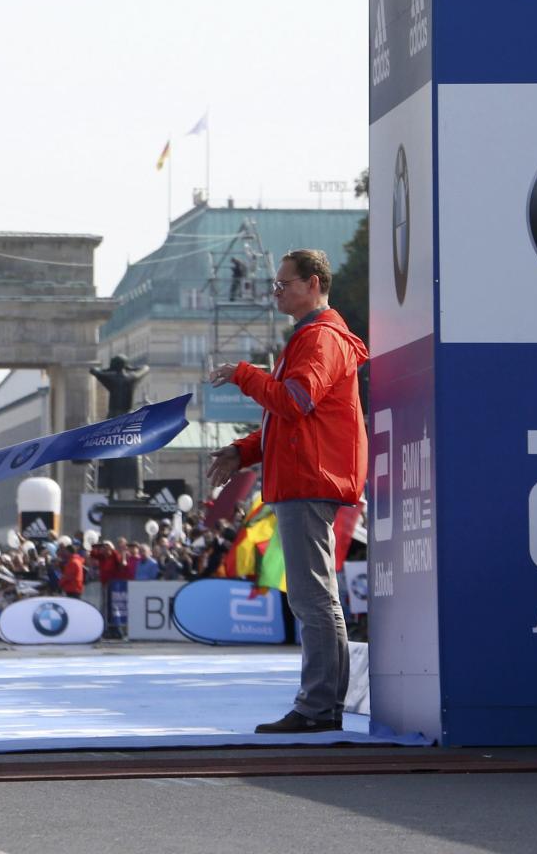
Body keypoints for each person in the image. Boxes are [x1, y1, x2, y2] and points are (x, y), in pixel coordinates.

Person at [208, 248, 367, 735]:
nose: (276, 292)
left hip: (308, 480)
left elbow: (295, 402)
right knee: (315, 597)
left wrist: (244, 374)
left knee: (313, 598)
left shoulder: (318, 339)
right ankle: (323, 704)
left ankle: (318, 706)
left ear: (314, 283)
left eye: (284, 284)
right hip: (307, 477)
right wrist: (243, 451)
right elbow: (291, 416)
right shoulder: (313, 336)